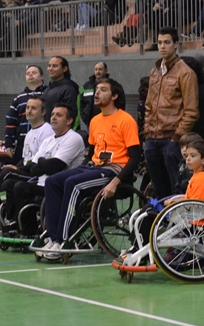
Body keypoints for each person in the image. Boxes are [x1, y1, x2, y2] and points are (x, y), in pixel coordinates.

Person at [38, 79, 142, 259]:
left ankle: (63, 239)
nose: (97, 93)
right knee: (53, 181)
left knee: (73, 184)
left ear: (114, 96)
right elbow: (91, 153)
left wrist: (116, 182)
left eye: (103, 90)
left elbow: (135, 157)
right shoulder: (94, 121)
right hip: (94, 167)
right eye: (97, 89)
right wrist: (80, 168)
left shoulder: (126, 120)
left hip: (114, 171)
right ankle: (52, 235)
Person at [0, 104, 85, 236]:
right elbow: (33, 168)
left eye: (59, 115)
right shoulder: (49, 140)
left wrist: (41, 162)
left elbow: (55, 166)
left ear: (69, 121)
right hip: (41, 183)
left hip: (59, 187)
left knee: (21, 187)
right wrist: (42, 164)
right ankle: (13, 221)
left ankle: (29, 230)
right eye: (53, 115)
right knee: (8, 184)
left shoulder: (73, 138)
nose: (54, 118)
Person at [0, 96, 54, 234]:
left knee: (6, 174)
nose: (29, 111)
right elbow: (26, 158)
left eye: (34, 108)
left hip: (38, 174)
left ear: (43, 112)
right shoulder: (30, 132)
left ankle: (10, 216)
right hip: (27, 169)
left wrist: (17, 168)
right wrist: (15, 166)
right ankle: (6, 213)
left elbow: (39, 160)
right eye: (27, 108)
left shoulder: (47, 131)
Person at [143, 28, 199, 199]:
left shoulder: (186, 73)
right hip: (152, 139)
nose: (162, 46)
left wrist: (177, 137)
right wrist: (147, 132)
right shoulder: (155, 72)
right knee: (159, 190)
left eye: (167, 42)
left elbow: (191, 111)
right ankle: (163, 223)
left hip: (171, 139)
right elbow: (148, 105)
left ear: (175, 44)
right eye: (159, 43)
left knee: (177, 188)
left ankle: (181, 223)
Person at [4, 65, 47, 164]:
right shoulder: (18, 98)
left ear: (42, 77)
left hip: (42, 140)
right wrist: (9, 144)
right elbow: (11, 122)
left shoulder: (48, 94)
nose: (30, 75)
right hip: (22, 142)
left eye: (34, 73)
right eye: (28, 73)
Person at [42, 56, 79, 126]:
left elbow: (70, 114)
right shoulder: (47, 89)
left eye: (55, 66)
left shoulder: (69, 89)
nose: (50, 69)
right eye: (49, 66)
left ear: (64, 69)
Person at [79, 62, 109, 131]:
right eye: (96, 69)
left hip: (106, 121)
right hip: (90, 122)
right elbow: (81, 102)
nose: (98, 72)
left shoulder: (112, 85)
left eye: (100, 69)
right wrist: (84, 117)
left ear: (106, 71)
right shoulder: (86, 86)